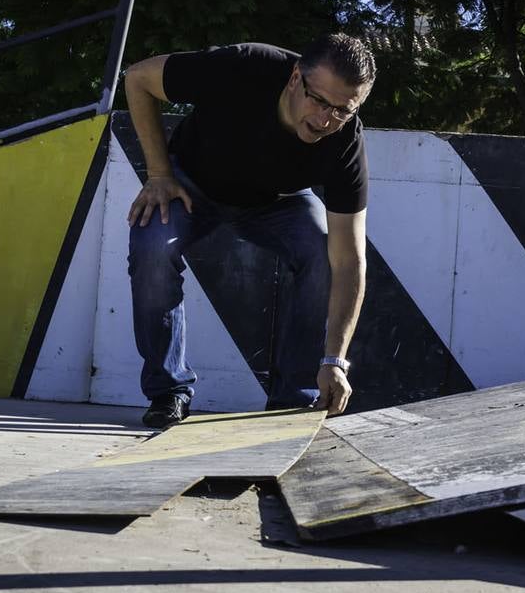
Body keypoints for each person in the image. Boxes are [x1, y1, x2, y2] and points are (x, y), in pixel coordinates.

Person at [122, 34, 375, 429]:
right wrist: (158, 174)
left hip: (276, 202)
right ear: (295, 78)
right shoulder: (242, 66)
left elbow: (350, 261)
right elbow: (137, 78)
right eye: (318, 100)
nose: (326, 119)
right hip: (191, 185)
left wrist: (335, 361)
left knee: (322, 251)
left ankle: (294, 399)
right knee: (153, 244)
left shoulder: (345, 143)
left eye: (343, 110)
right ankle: (168, 391)